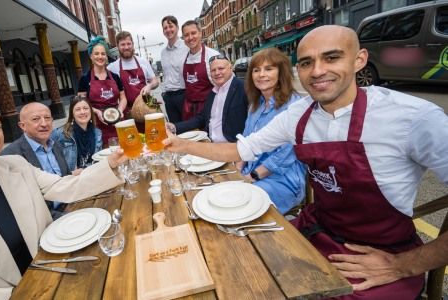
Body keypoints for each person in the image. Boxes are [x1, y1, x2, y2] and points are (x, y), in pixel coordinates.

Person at [164, 25, 448, 299]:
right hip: (318, 231)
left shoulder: (415, 118)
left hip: (382, 253)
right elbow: (241, 150)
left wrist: (404, 265)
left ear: (359, 60)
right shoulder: (299, 113)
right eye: (306, 62)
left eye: (332, 57)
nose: (318, 71)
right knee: (239, 261)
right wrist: (180, 145)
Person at [0, 99, 125, 300]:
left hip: (61, 277)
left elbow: (64, 186)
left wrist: (111, 163)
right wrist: (22, 293)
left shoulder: (15, 165)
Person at [238, 48, 306, 214]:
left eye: (269, 69)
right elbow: (245, 142)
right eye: (256, 70)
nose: (261, 74)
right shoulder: (255, 106)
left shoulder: (294, 106)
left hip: (281, 180)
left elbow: (283, 157)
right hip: (252, 172)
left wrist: (251, 177)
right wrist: (237, 170)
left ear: (280, 73)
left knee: (240, 203)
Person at [0, 102, 72, 219]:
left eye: (47, 118)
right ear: (22, 126)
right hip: (44, 218)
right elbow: (23, 206)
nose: (44, 123)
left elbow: (67, 177)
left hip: (70, 203)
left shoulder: (56, 145)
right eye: (36, 119)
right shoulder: (10, 157)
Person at [168, 55, 248, 142]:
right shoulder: (213, 92)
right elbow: (201, 118)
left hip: (232, 146)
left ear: (231, 68)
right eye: (213, 70)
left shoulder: (244, 87)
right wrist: (174, 127)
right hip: (209, 142)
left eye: (221, 68)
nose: (217, 73)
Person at [78, 36, 127, 146]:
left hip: (116, 122)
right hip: (96, 124)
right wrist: (96, 112)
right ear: (91, 56)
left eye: (103, 54)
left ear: (106, 56)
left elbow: (123, 98)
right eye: (96, 54)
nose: (100, 57)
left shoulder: (115, 77)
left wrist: (119, 110)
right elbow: (81, 102)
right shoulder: (85, 79)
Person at [107, 31, 159, 116]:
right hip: (127, 112)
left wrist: (149, 86)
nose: (126, 47)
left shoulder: (143, 62)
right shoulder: (112, 68)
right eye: (123, 44)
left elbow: (155, 82)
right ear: (117, 46)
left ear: (133, 44)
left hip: (148, 106)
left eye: (128, 44)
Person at [181, 20, 220, 121]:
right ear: (183, 38)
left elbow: (226, 86)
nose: (190, 38)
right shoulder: (183, 58)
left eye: (193, 33)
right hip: (189, 110)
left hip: (209, 108)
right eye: (186, 35)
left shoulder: (213, 56)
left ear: (200, 33)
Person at [51, 96, 102, 172]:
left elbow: (98, 159)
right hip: (72, 179)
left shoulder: (97, 133)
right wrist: (69, 173)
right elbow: (51, 160)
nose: (82, 112)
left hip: (92, 174)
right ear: (72, 114)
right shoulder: (60, 133)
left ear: (90, 111)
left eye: (85, 108)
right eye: (78, 109)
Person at [160, 15, 189, 123]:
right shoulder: (163, 52)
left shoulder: (186, 47)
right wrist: (164, 94)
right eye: (165, 28)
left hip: (183, 95)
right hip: (169, 97)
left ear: (177, 27)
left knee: (188, 127)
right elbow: (166, 75)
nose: (168, 30)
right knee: (175, 128)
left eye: (170, 26)